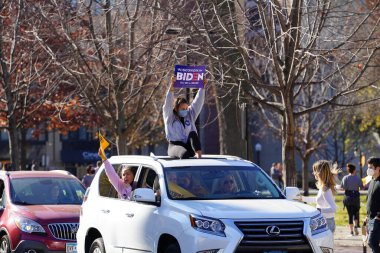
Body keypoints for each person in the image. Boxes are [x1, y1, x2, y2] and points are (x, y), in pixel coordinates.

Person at [163, 76, 207, 159]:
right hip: (175, 146)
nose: (186, 110)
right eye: (183, 109)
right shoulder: (169, 116)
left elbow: (198, 102)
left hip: (189, 145)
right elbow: (168, 103)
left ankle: (199, 157)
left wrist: (202, 87)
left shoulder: (190, 114)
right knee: (184, 154)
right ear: (176, 108)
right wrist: (172, 85)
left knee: (193, 133)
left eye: (186, 108)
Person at [301, 160, 338, 233]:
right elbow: (318, 200)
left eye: (314, 170)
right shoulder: (324, 188)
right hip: (325, 221)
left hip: (326, 222)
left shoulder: (325, 189)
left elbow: (334, 208)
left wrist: (320, 210)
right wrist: (302, 198)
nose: (313, 173)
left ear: (320, 173)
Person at [340, 163, 363, 236]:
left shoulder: (345, 178)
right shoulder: (358, 178)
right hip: (356, 197)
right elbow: (361, 187)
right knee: (356, 213)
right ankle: (356, 226)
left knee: (350, 214)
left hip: (348, 197)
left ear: (348, 170)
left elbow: (343, 188)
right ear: (354, 170)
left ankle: (351, 232)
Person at [365, 157, 380, 253]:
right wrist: (367, 216)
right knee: (372, 243)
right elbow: (370, 199)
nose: (368, 170)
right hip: (370, 218)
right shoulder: (372, 181)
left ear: (378, 168)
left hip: (377, 219)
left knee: (372, 242)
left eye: (371, 167)